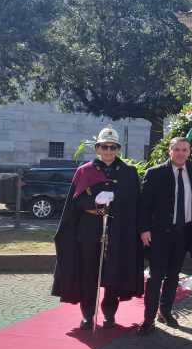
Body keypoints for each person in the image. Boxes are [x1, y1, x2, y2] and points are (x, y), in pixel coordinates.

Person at [51, 127, 142, 329]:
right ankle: (88, 313)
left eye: (112, 147)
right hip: (89, 231)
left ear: (118, 149)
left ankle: (110, 313)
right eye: (104, 146)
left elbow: (134, 203)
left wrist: (115, 203)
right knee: (89, 274)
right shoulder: (84, 171)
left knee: (113, 274)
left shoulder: (129, 172)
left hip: (118, 230)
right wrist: (95, 205)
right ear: (97, 148)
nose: (108, 150)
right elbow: (75, 203)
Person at [137, 137, 192, 335]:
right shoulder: (155, 173)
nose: (181, 153)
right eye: (177, 149)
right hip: (159, 234)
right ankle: (148, 319)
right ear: (170, 151)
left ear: (189, 152)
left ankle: (165, 311)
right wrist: (144, 229)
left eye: (184, 149)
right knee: (156, 276)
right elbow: (144, 205)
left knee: (174, 275)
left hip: (183, 233)